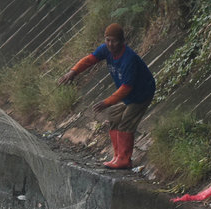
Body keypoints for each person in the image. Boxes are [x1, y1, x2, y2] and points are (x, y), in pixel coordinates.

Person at [58, 23, 155, 170]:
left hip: (141, 93)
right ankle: (117, 156)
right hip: (129, 95)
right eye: (107, 40)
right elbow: (90, 59)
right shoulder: (106, 50)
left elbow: (126, 88)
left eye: (114, 40)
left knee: (126, 123)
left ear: (122, 41)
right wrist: (73, 72)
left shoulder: (129, 59)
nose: (110, 44)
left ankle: (124, 160)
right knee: (114, 116)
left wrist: (107, 102)